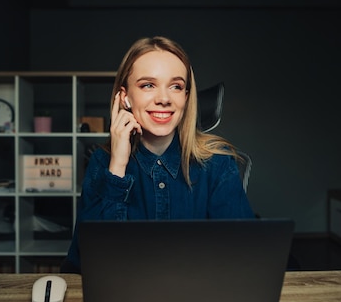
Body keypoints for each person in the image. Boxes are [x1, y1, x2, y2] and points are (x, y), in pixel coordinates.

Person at [62, 36, 254, 273]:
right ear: (125, 98)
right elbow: (87, 264)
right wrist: (118, 167)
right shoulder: (103, 162)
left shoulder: (218, 162)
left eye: (176, 86)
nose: (164, 99)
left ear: (186, 96)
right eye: (147, 85)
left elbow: (243, 258)